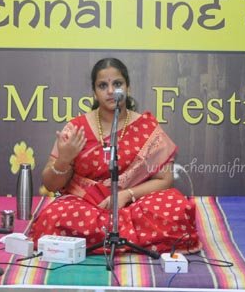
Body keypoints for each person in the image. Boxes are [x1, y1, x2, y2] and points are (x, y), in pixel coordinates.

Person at [31, 57, 200, 255]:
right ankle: (135, 238)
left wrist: (126, 195)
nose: (111, 91)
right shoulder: (77, 129)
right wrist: (64, 159)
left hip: (133, 205)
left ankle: (98, 238)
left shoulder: (146, 128)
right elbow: (51, 185)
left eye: (117, 84)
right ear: (94, 92)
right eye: (103, 85)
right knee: (55, 216)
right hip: (85, 206)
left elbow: (165, 179)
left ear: (128, 88)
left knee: (175, 207)